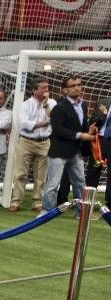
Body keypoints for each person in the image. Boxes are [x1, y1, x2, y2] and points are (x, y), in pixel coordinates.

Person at [42, 75, 95, 213]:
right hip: (59, 151)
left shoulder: (82, 105)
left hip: (75, 151)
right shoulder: (59, 107)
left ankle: (81, 213)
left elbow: (81, 125)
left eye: (79, 84)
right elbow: (58, 130)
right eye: (73, 85)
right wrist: (81, 135)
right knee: (53, 184)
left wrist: (88, 129)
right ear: (64, 90)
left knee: (80, 183)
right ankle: (47, 212)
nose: (77, 87)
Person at [10, 78, 57, 213]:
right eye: (43, 88)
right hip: (26, 141)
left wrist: (46, 104)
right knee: (20, 173)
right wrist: (43, 122)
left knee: (41, 175)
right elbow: (24, 124)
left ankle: (37, 202)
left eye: (47, 87)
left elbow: (54, 118)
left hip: (45, 142)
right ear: (34, 90)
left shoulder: (52, 103)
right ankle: (16, 201)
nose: (46, 90)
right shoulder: (25, 105)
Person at [86, 98, 111, 209]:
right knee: (94, 169)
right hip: (99, 142)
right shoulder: (102, 103)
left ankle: (109, 204)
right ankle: (89, 200)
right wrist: (103, 114)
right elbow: (91, 122)